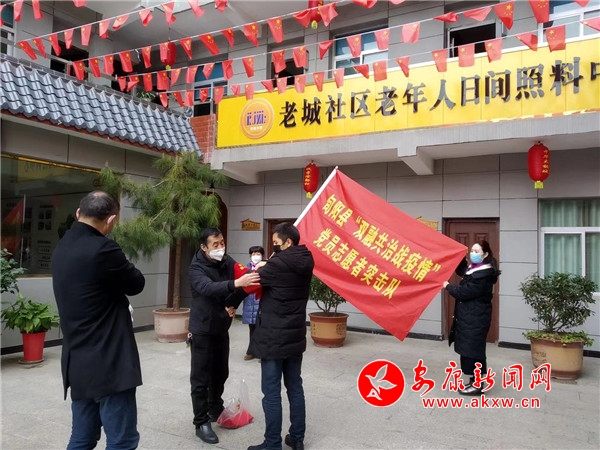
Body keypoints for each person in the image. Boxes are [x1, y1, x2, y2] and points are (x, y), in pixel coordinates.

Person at [51, 191, 146, 449]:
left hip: (77, 361)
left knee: (82, 438)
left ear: (78, 213)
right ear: (111, 220)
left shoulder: (62, 246)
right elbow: (136, 283)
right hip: (109, 362)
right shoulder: (104, 249)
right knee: (122, 441)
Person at [188, 227, 261, 445]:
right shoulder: (196, 268)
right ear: (204, 247)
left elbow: (244, 283)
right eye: (215, 244)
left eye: (222, 243)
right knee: (200, 378)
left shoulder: (226, 261)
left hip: (221, 327)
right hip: (202, 329)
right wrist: (236, 283)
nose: (221, 247)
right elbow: (208, 288)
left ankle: (215, 408)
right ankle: (201, 422)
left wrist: (233, 302)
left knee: (220, 373)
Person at [247, 223, 315, 450]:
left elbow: (253, 280)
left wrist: (263, 265)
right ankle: (297, 438)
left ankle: (272, 443)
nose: (273, 247)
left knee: (271, 392)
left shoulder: (276, 265)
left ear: (288, 242)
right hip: (295, 335)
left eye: (276, 243)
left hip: (273, 338)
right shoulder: (306, 260)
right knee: (295, 387)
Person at [443, 240, 500, 396]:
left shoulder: (484, 274)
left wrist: (448, 286)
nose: (473, 254)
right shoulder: (474, 269)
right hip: (470, 317)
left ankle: (477, 385)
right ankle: (474, 381)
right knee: (468, 350)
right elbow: (462, 270)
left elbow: (465, 292)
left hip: (476, 319)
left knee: (473, 352)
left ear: (485, 254)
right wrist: (459, 254)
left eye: (476, 252)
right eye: (472, 251)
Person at [242, 245, 265, 361]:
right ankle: (251, 351)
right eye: (253, 254)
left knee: (261, 329)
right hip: (249, 302)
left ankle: (262, 353)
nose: (255, 256)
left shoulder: (265, 268)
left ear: (262, 255)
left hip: (261, 301)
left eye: (258, 253)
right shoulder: (246, 268)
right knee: (252, 328)